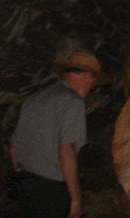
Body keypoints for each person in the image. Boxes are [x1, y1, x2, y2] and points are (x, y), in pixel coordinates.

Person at [9, 50, 111, 218]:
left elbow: (14, 148)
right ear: (87, 76)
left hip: (24, 181)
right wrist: (76, 200)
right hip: (51, 188)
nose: (93, 87)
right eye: (94, 81)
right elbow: (66, 153)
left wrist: (20, 174)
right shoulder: (72, 102)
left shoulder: (34, 98)